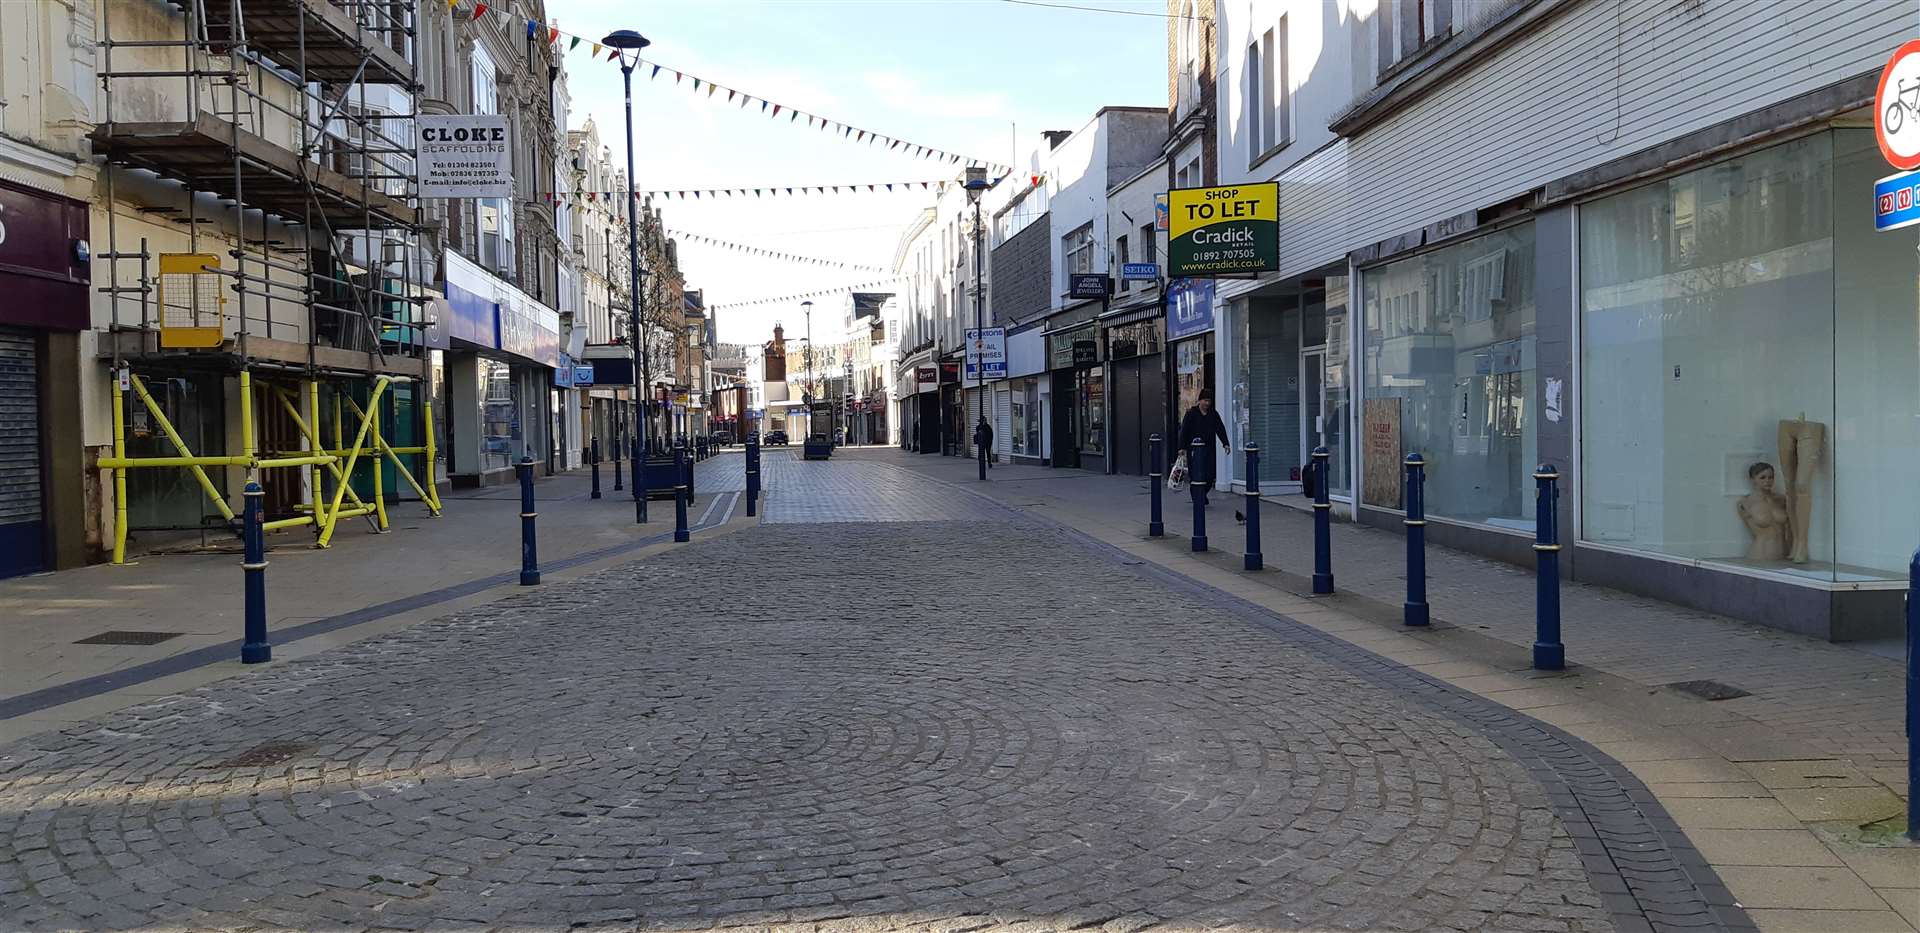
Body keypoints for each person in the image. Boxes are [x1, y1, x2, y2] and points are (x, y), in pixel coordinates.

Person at [1177, 390, 1234, 516]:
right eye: (1205, 400)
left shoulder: (1213, 414)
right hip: (1194, 450)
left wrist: (1225, 443)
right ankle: (1197, 497)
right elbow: (1184, 430)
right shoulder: (1191, 413)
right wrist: (1182, 447)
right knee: (1195, 475)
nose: (1207, 403)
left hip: (1208, 449)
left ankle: (1202, 494)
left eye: (1209, 401)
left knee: (1210, 475)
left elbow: (1220, 428)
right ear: (1200, 400)